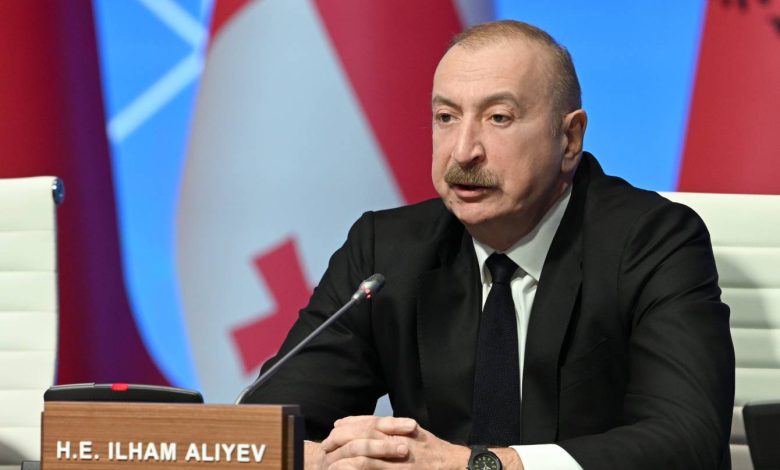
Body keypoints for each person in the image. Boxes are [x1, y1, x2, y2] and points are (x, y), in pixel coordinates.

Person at [245, 20, 735, 470]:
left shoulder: (652, 241)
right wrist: (329, 460)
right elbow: (261, 428)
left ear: (569, 138)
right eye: (446, 117)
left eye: (498, 118)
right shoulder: (385, 251)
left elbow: (687, 442)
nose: (463, 151)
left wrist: (473, 466)